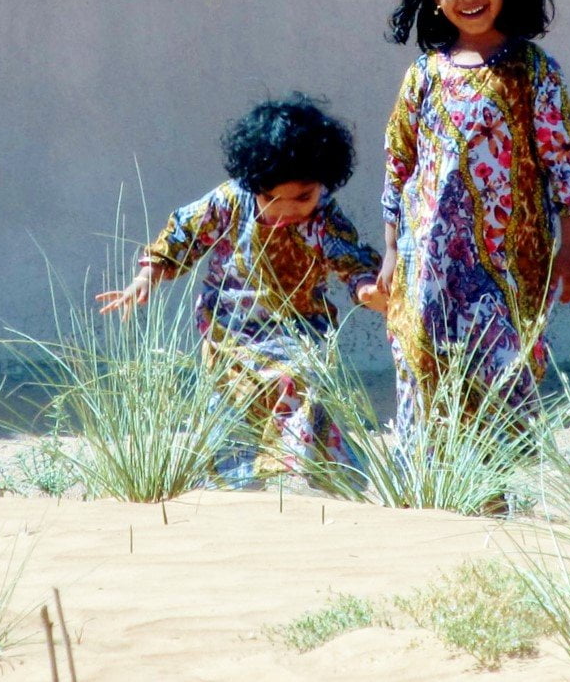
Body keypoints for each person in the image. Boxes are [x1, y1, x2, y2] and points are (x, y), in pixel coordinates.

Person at [377, 0, 570, 437]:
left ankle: (498, 504)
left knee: (503, 378)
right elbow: (399, 166)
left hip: (509, 268)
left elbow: (566, 167)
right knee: (427, 378)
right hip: (426, 269)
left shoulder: (533, 73)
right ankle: (431, 501)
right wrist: (390, 254)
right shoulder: (423, 76)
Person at [98, 93, 385, 487]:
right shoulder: (229, 202)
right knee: (234, 407)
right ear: (254, 185)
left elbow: (350, 257)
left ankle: (310, 483)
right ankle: (233, 491)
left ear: (323, 182)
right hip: (229, 334)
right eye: (272, 199)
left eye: (302, 197)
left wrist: (367, 289)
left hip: (300, 332)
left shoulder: (325, 217)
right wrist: (146, 276)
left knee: (296, 388)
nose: (287, 211)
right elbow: (183, 235)